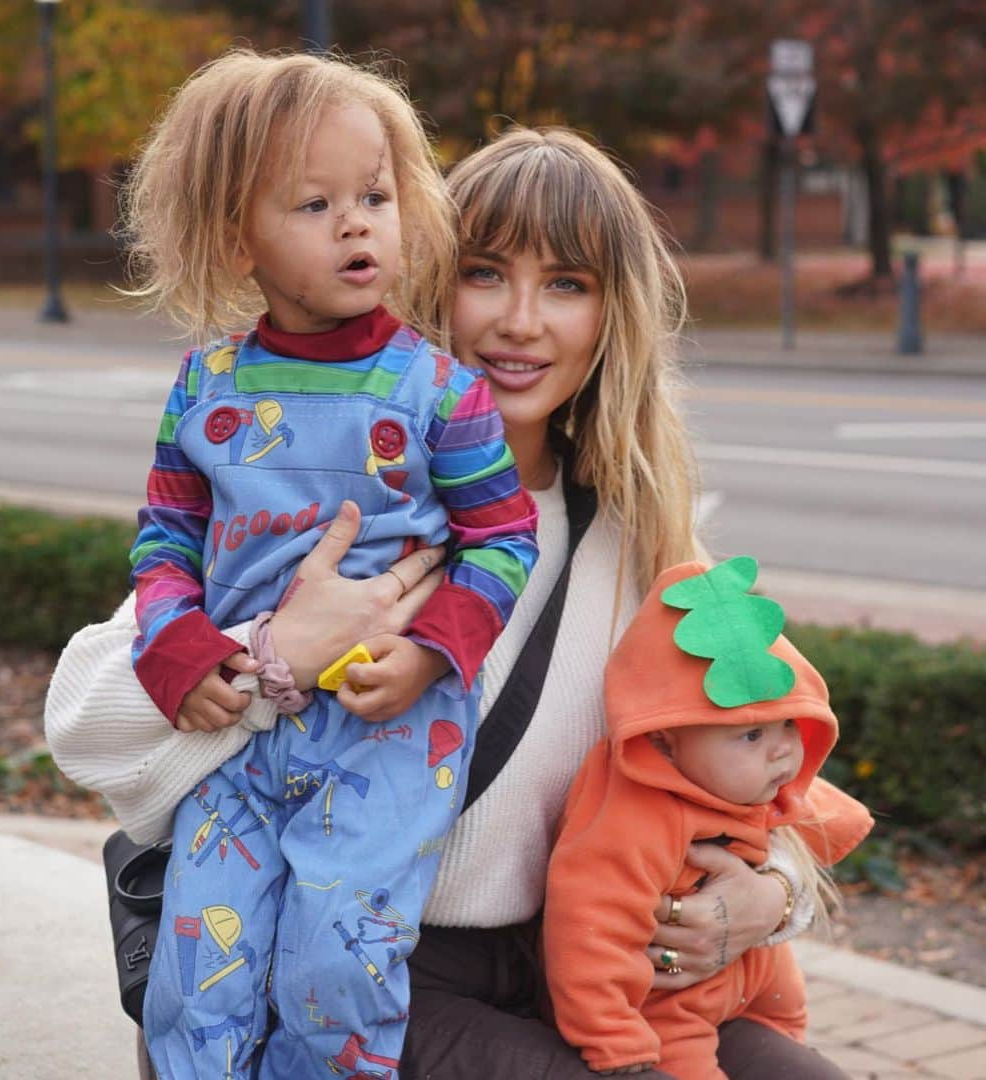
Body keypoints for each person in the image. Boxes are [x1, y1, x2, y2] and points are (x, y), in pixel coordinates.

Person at [47, 125, 870, 1078]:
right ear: (426, 274)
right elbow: (82, 721)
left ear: (614, 318)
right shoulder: (349, 501)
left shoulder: (637, 539)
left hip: (563, 960)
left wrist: (777, 886)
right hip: (367, 967)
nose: (521, 321)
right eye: (485, 273)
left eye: (567, 284)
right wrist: (276, 651)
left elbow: (771, 769)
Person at [116, 50, 538, 1078]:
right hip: (234, 747)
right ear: (236, 237)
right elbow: (165, 539)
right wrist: (180, 649)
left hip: (383, 739)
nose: (357, 223)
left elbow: (504, 539)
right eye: (314, 203)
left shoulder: (440, 393)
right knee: (195, 984)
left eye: (376, 196)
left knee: (335, 975)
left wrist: (434, 655)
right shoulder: (205, 383)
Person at [543, 555, 873, 1077]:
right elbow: (589, 932)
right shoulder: (632, 818)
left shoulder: (743, 780)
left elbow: (814, 814)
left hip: (758, 974)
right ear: (665, 741)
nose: (783, 751)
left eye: (788, 723)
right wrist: (615, 1041)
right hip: (671, 1001)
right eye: (751, 734)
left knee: (792, 1045)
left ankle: (781, 1038)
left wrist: (796, 874)